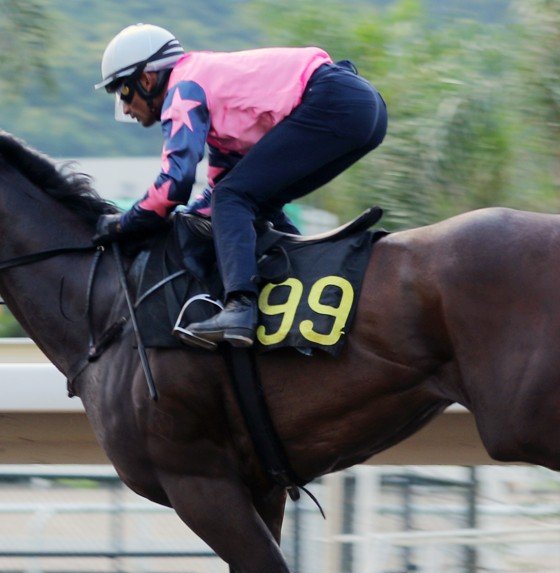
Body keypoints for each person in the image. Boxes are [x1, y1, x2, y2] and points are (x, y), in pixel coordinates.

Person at [92, 23, 387, 348]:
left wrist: (124, 224)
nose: (125, 107)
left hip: (335, 100)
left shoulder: (183, 90)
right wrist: (182, 219)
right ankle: (301, 293)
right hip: (360, 107)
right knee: (250, 200)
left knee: (233, 198)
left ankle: (240, 308)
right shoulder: (209, 96)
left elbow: (175, 183)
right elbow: (216, 192)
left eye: (123, 92)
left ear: (146, 79)